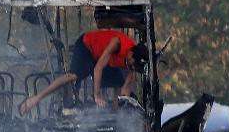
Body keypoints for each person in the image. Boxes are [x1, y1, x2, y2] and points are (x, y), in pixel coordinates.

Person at [19, 30, 148, 115]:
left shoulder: (133, 61)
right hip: (86, 45)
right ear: (130, 54)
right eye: (133, 64)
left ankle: (116, 118)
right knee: (73, 76)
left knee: (119, 84)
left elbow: (126, 87)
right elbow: (98, 68)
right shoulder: (117, 43)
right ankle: (36, 98)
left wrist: (123, 103)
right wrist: (97, 96)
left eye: (135, 67)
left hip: (101, 58)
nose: (132, 67)